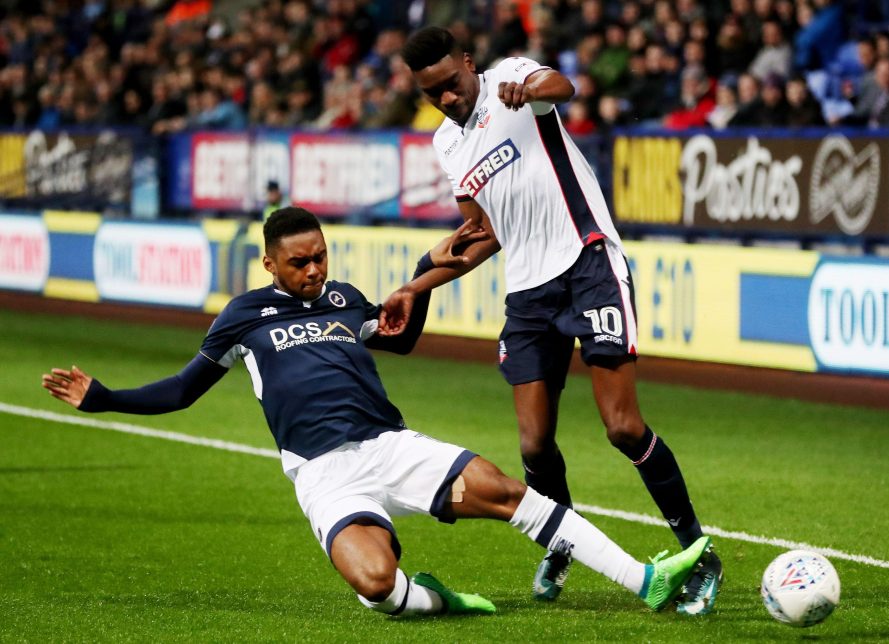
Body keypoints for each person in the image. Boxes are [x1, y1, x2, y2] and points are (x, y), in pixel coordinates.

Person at [41, 207, 713, 618]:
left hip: (389, 444)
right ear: (270, 262)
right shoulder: (243, 317)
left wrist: (420, 277)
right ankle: (431, 599)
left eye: (320, 257)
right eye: (299, 262)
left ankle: (644, 579)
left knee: (508, 490)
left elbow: (399, 337)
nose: (313, 270)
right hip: (324, 474)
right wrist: (105, 398)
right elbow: (185, 390)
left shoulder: (342, 300)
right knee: (373, 581)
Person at [389, 26, 722, 615]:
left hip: (587, 260)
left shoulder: (511, 79)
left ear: (469, 63)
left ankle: (698, 551)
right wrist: (416, 285)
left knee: (622, 427)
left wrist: (532, 85)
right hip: (529, 290)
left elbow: (560, 85)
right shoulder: (447, 145)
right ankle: (565, 541)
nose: (446, 98)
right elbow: (482, 234)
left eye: (450, 83)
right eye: (430, 93)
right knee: (534, 443)